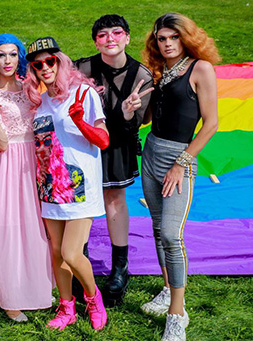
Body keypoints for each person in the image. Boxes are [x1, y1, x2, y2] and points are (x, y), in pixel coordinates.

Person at [136, 13, 219, 341]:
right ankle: (168, 288)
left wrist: (180, 164)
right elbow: (154, 115)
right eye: (161, 39)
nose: (167, 44)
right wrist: (136, 104)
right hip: (151, 152)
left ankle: (176, 315)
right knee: (157, 228)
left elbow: (211, 124)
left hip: (178, 159)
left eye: (173, 37)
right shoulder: (161, 73)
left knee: (172, 234)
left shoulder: (200, 69)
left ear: (186, 38)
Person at [24, 37, 110, 331]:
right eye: (38, 64)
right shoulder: (40, 101)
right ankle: (66, 308)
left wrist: (81, 122)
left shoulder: (83, 93)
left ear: (61, 62)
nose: (45, 68)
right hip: (48, 186)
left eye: (51, 61)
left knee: (73, 253)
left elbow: (104, 140)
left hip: (79, 185)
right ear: (33, 70)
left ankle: (92, 298)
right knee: (57, 252)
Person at [74, 15, 154, 305]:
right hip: (84, 143)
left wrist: (128, 112)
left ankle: (120, 267)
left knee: (115, 199)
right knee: (79, 201)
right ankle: (77, 261)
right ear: (96, 41)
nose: (110, 39)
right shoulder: (81, 68)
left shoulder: (142, 75)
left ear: (127, 37)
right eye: (103, 35)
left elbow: (132, 129)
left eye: (117, 33)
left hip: (118, 144)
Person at [0, 34, 54, 322]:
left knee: (36, 225)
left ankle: (37, 289)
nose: (7, 61)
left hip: (34, 159)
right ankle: (9, 296)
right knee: (7, 224)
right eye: (1, 55)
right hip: (6, 160)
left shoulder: (32, 89)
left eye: (13, 55)